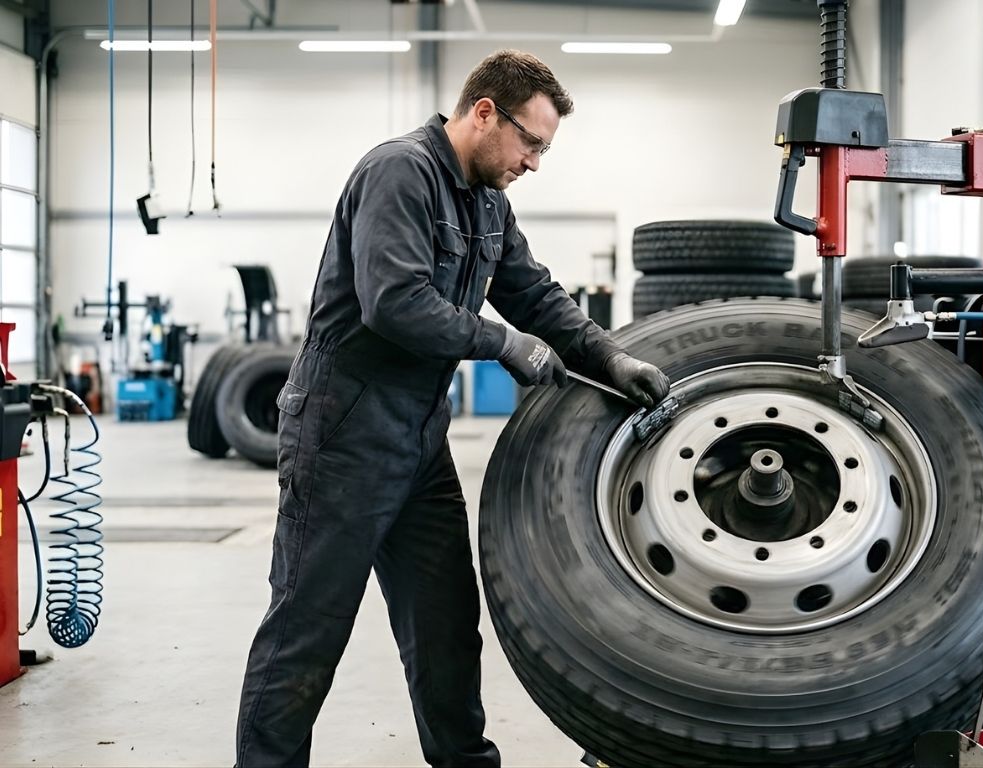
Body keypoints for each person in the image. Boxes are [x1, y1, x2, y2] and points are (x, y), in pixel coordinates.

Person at [235, 49, 670, 767]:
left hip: (417, 436)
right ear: (484, 113)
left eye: (544, 149)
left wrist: (609, 356)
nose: (534, 162)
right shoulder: (398, 172)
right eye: (530, 142)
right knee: (307, 626)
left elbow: (534, 293)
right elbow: (395, 302)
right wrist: (503, 343)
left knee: (443, 622)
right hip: (342, 430)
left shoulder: (489, 201)